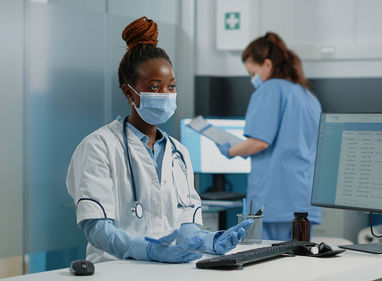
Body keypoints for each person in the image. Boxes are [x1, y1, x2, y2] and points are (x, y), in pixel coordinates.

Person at [66, 17, 252, 264]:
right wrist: (147, 250)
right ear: (128, 91)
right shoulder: (99, 146)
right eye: (154, 87)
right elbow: (97, 228)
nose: (165, 95)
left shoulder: (179, 153)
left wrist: (209, 242)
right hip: (116, 272)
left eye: (171, 86)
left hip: (166, 271)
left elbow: (186, 227)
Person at [217, 32, 322, 241]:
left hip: (275, 198)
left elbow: (259, 142)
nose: (252, 79)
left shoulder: (270, 90)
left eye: (252, 72)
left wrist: (230, 150)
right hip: (302, 198)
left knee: (266, 266)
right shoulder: (308, 96)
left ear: (267, 65)